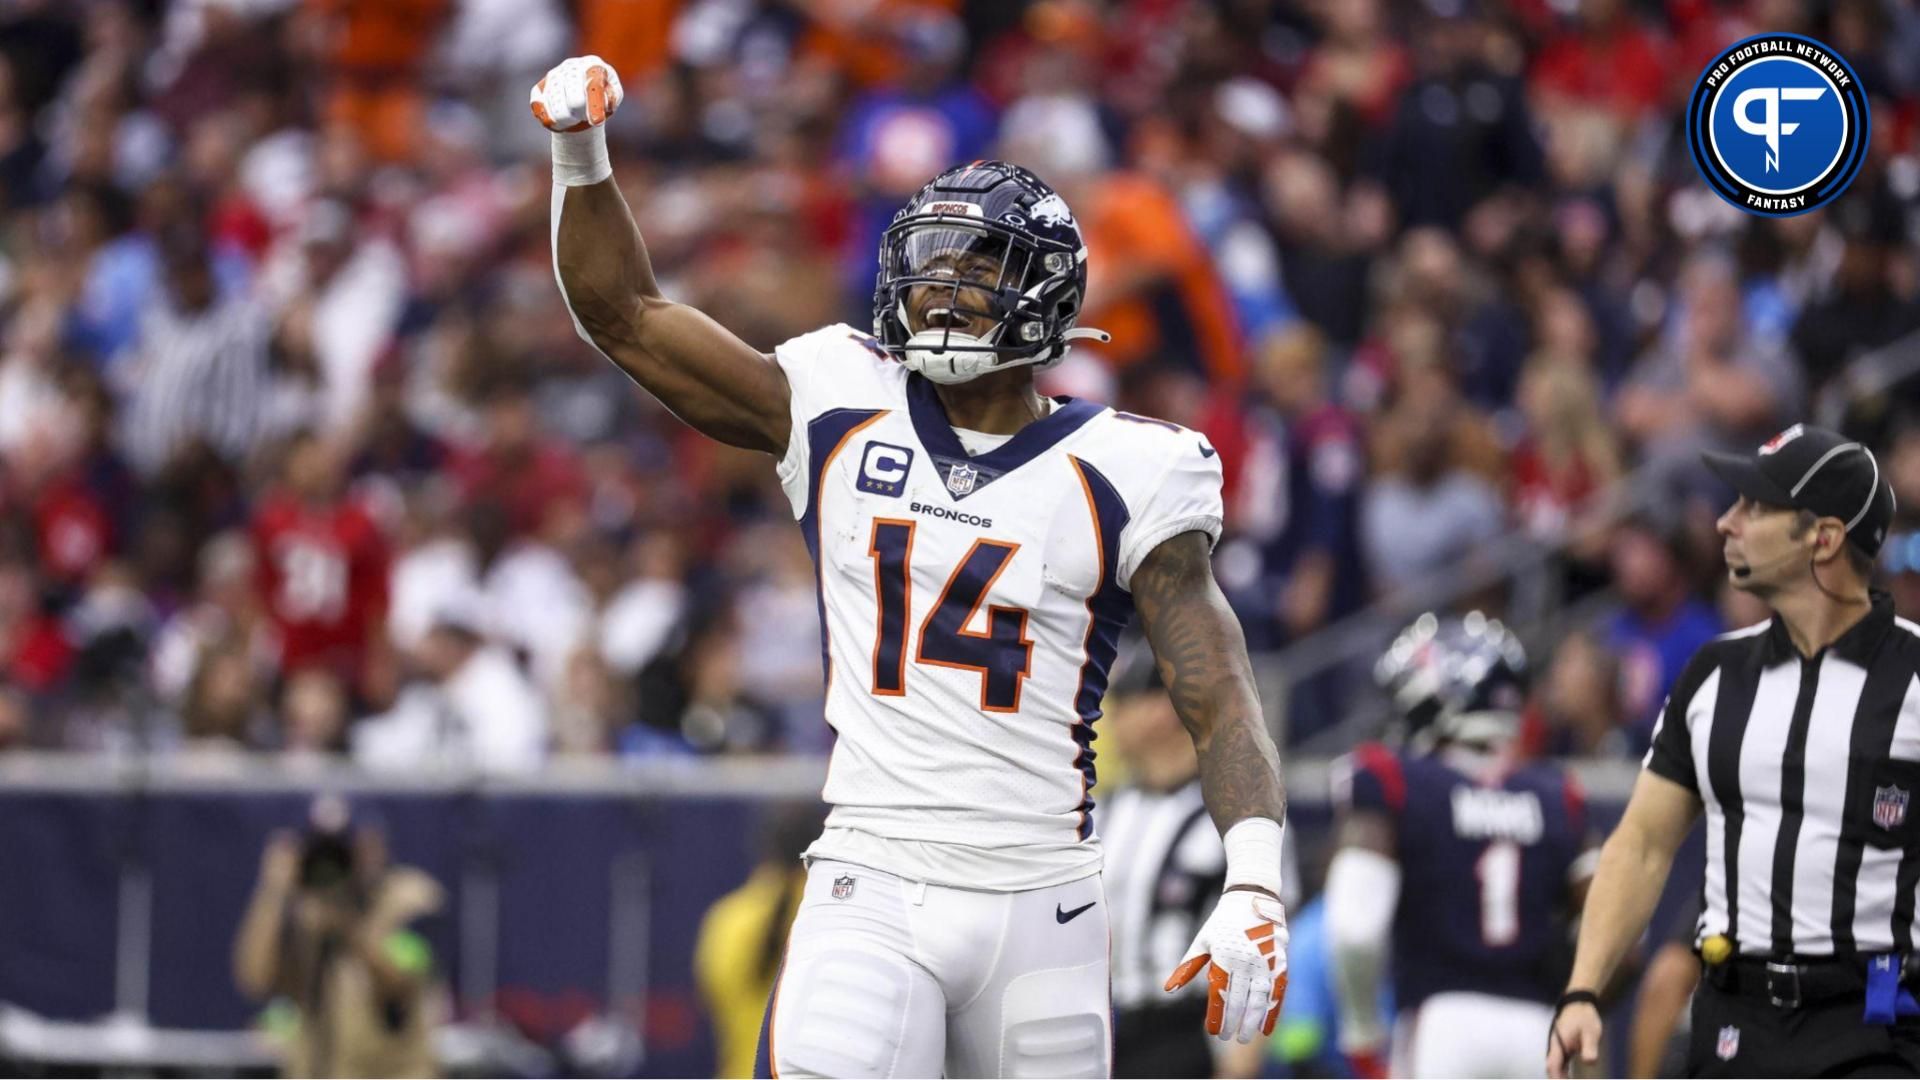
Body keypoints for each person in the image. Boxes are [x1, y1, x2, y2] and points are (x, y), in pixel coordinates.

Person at [533, 56, 1291, 1078]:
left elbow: (1217, 688)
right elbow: (624, 312)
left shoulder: (1131, 468)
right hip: (875, 873)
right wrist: (580, 156)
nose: (940, 290)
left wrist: (1253, 877)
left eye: (973, 269)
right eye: (929, 264)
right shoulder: (838, 398)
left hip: (1044, 895)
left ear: (1043, 295)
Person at [1549, 423, 1920, 1078]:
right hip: (1735, 1024)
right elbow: (1641, 843)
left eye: (1755, 506)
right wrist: (1584, 989)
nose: (1725, 522)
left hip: (1877, 1025)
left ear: (1824, 537)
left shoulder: (1914, 676)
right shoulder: (1714, 674)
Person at [1329, 612, 1595, 1078]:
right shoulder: (1559, 796)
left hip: (1440, 1025)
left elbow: (1355, 929)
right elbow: (1620, 936)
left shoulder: (1393, 778)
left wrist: (1362, 1035)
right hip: (1539, 1031)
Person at [233, 796, 445, 1079]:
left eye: (351, 845)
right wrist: (273, 890)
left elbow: (400, 980)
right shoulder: (306, 910)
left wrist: (345, 929)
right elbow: (255, 979)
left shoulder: (413, 899)